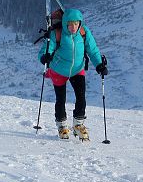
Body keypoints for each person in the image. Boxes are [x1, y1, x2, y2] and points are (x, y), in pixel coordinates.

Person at [38, 8, 108, 140]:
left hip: (77, 70)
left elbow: (92, 50)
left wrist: (99, 64)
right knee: (61, 99)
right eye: (70, 24)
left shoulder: (83, 32)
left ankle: (78, 125)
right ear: (65, 23)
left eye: (76, 23)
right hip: (59, 70)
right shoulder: (57, 33)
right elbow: (46, 49)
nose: (73, 27)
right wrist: (44, 57)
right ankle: (62, 126)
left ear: (80, 23)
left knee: (81, 97)